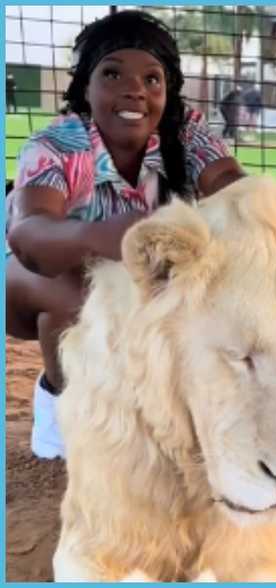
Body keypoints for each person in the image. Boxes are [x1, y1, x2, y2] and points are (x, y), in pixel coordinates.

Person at [6, 10, 246, 459]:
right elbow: (29, 234)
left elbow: (234, 185)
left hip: (139, 285)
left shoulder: (187, 132)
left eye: (151, 79)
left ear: (167, 90)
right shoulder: (57, 144)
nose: (134, 88)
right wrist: (96, 236)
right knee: (78, 291)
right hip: (34, 278)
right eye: (113, 73)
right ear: (86, 87)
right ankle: (61, 408)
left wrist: (257, 212)